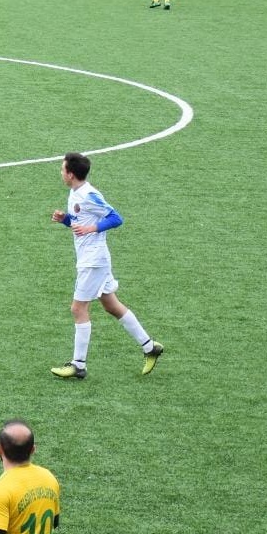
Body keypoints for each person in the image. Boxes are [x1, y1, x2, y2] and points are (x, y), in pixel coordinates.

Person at [50, 151, 165, 380]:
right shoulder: (75, 193)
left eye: (62, 169)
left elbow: (116, 218)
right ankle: (150, 347)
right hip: (93, 259)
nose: (60, 173)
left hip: (93, 261)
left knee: (78, 309)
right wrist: (65, 220)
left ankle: (78, 365)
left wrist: (92, 229)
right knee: (111, 305)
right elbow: (80, 223)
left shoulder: (89, 195)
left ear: (71, 174)